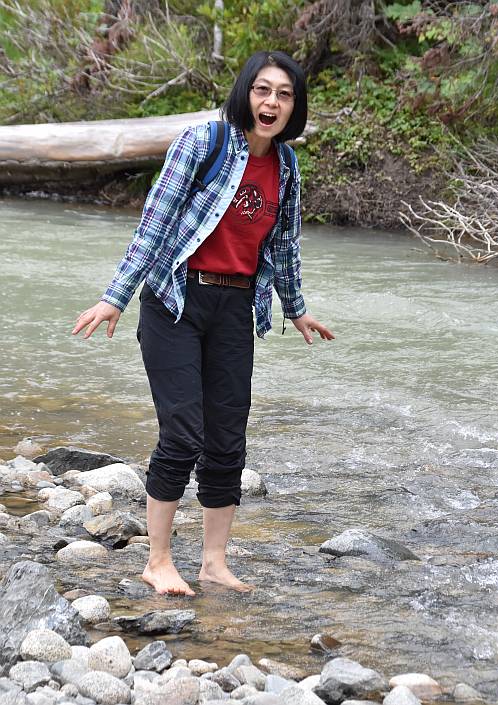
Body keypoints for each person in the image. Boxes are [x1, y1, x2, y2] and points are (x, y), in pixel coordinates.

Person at [72, 50, 334, 596]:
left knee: (227, 441)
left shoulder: (286, 166)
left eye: (284, 95)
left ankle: (214, 562)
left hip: (237, 309)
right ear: (246, 93)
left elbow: (283, 247)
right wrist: (115, 298)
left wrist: (297, 307)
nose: (272, 102)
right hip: (176, 302)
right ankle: (158, 560)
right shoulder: (202, 143)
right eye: (263, 90)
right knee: (183, 432)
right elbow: (154, 225)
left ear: (294, 107)